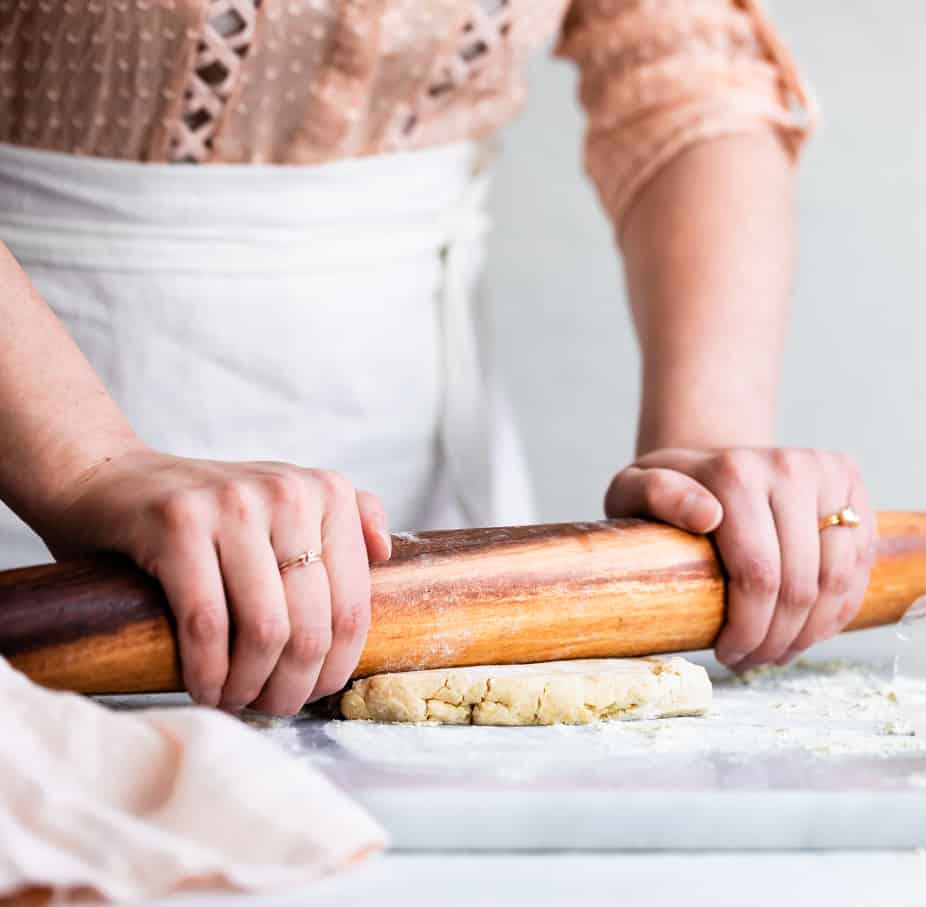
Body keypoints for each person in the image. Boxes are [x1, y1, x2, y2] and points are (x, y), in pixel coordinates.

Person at [0, 0, 877, 716]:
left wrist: (706, 450)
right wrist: (84, 470)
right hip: (33, 463)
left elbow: (684, 67)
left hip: (427, 495)